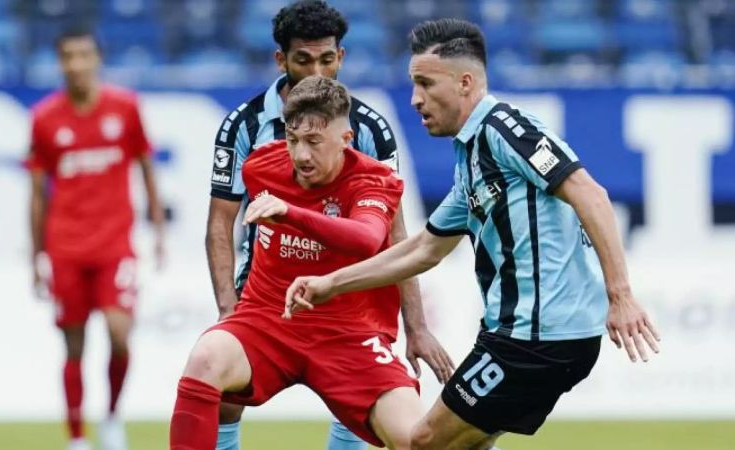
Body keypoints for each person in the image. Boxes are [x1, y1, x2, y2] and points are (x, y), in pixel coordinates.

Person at [285, 19, 661, 450]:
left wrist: (621, 295)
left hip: (536, 338)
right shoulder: (471, 158)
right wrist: (330, 284)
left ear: (465, 82)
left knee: (424, 441)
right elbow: (425, 248)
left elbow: (591, 195)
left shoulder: (505, 128)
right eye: (413, 84)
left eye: (425, 84)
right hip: (521, 335)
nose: (415, 99)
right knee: (465, 444)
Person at [206, 2, 453, 448]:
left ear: (340, 56)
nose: (317, 70)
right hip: (267, 291)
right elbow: (221, 225)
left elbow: (396, 235)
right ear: (281, 60)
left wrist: (415, 326)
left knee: (358, 409)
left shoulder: (370, 127)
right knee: (222, 394)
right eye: (304, 60)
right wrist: (227, 307)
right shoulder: (244, 125)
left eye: (326, 59)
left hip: (352, 297)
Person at [172, 76, 428, 450]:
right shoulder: (260, 167)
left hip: (350, 333)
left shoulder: (375, 181)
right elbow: (219, 223)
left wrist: (289, 213)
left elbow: (367, 239)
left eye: (313, 141)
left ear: (346, 138)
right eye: (293, 139)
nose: (301, 154)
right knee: (205, 358)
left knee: (415, 439)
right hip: (268, 321)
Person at [27, 26, 165, 450]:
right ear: (60, 62)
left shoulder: (125, 108)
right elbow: (36, 193)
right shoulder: (45, 118)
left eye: (84, 55)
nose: (76, 65)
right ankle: (75, 436)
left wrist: (157, 230)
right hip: (66, 245)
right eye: (68, 56)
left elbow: (146, 169)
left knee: (121, 332)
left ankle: (111, 417)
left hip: (114, 244)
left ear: (97, 59)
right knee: (73, 343)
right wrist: (36, 256)